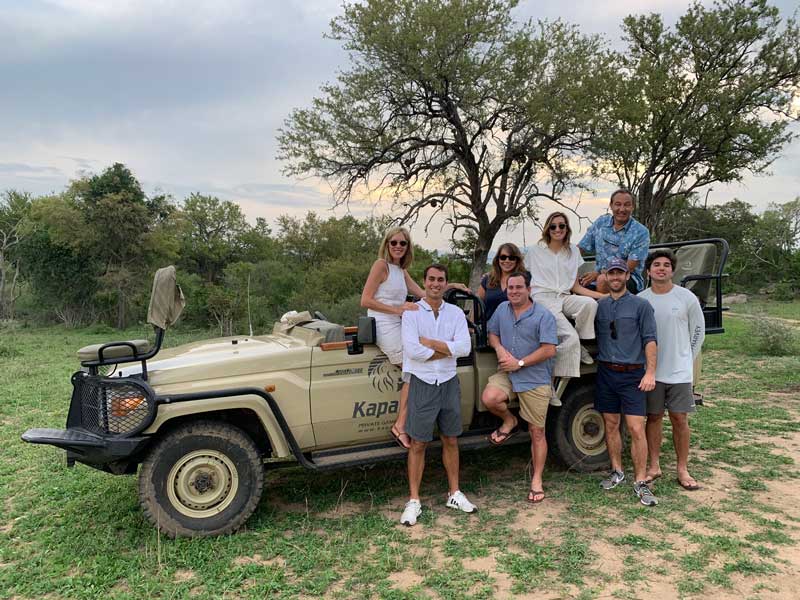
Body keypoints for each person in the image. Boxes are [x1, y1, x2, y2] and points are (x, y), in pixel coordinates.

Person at [399, 264, 475, 526]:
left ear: (446, 284)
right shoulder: (411, 313)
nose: (435, 284)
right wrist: (446, 350)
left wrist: (430, 343)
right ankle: (414, 500)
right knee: (418, 443)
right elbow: (411, 351)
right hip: (422, 383)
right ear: (424, 282)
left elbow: (464, 348)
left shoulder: (454, 313)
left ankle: (454, 493)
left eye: (440, 279)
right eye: (431, 279)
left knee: (451, 439)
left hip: (448, 381)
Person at [481, 271, 558, 503]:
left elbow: (549, 349)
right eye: (510, 288)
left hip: (533, 377)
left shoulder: (544, 316)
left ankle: (536, 479)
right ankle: (510, 421)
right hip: (508, 374)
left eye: (519, 288)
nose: (514, 291)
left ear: (529, 289)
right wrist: (499, 349)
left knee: (537, 432)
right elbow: (492, 333)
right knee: (490, 398)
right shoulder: (502, 309)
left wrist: (520, 362)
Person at [638, 250, 705, 491]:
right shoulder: (641, 299)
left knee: (679, 418)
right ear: (648, 271)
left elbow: (698, 331)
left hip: (679, 371)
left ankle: (682, 468)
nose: (662, 268)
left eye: (666, 265)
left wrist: (687, 359)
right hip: (652, 372)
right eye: (656, 265)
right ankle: (654, 465)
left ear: (672, 271)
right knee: (654, 417)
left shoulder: (686, 298)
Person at [594, 257, 659, 506]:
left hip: (633, 374)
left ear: (627, 276)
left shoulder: (641, 306)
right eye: (611, 273)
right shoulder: (600, 306)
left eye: (620, 273)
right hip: (606, 372)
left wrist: (650, 372)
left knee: (635, 428)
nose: (616, 277)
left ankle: (641, 481)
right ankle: (617, 470)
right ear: (605, 276)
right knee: (611, 424)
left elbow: (650, 340)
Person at [361, 227, 425, 450]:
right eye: (394, 242)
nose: (398, 246)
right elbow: (366, 300)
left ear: (408, 247)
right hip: (383, 323)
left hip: (398, 322)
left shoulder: (400, 270)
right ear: (387, 244)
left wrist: (451, 287)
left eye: (403, 243)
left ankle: (405, 423)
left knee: (417, 366)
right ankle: (400, 425)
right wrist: (398, 309)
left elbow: (423, 294)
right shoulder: (381, 265)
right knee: (415, 366)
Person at [525, 212, 605, 384]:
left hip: (565, 296)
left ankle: (580, 344)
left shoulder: (573, 251)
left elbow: (575, 287)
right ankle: (552, 384)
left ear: (567, 228)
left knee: (590, 305)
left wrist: (602, 296)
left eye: (562, 225)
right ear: (548, 228)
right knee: (569, 338)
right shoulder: (535, 250)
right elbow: (521, 274)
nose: (557, 229)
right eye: (553, 226)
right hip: (543, 298)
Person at [578, 189, 650, 294]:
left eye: (627, 205)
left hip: (627, 278)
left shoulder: (641, 232)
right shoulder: (601, 223)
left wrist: (598, 274)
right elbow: (580, 248)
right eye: (618, 204)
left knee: (603, 280)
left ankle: (606, 309)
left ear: (633, 207)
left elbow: (629, 266)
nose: (622, 209)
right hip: (598, 277)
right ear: (611, 206)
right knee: (575, 284)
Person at [477, 243, 526, 321]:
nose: (507, 261)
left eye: (511, 258)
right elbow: (477, 304)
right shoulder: (488, 279)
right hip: (489, 329)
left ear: (517, 260)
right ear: (498, 259)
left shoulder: (525, 279)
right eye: (503, 257)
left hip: (517, 328)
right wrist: (470, 327)